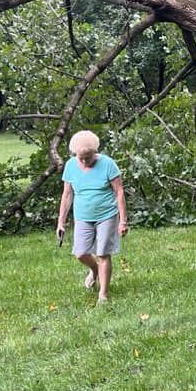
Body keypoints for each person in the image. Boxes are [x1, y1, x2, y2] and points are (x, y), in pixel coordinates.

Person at [56, 130, 128, 304]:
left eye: (88, 157)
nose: (84, 161)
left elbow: (119, 192)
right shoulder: (71, 166)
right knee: (80, 253)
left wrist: (123, 221)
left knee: (103, 253)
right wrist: (61, 222)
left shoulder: (108, 164)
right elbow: (67, 195)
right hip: (82, 215)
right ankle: (94, 270)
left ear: (95, 152)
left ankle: (103, 294)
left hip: (107, 215)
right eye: (80, 157)